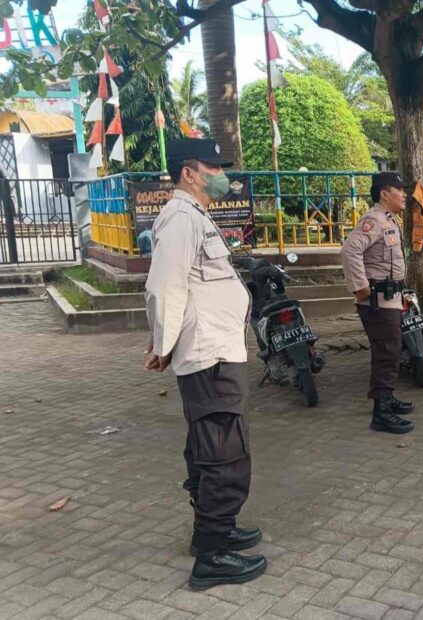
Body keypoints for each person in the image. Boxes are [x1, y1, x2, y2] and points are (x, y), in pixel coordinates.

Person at [143, 138, 266, 591]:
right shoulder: (179, 218)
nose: (222, 173)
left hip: (217, 351)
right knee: (223, 452)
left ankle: (214, 531)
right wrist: (162, 343)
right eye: (213, 166)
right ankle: (213, 557)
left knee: (212, 446)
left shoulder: (194, 216)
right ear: (189, 173)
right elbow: (165, 288)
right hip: (209, 356)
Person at [341, 171, 415, 434]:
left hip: (390, 298)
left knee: (390, 350)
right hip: (377, 300)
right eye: (399, 189)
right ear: (385, 193)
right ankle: (381, 413)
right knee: (387, 350)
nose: (404, 194)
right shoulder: (374, 220)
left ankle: (387, 396)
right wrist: (360, 286)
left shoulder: (389, 219)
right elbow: (351, 249)